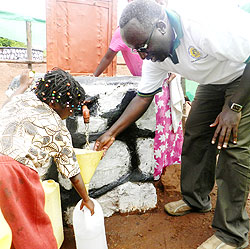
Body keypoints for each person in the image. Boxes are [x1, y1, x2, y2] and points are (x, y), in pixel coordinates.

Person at [94, 0, 250, 248]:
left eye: (143, 47)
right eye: (136, 51)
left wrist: (234, 107)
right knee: (196, 134)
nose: (142, 56)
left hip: (243, 76)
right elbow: (143, 97)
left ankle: (232, 234)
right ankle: (197, 199)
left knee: (232, 147)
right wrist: (111, 132)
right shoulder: (155, 55)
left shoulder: (205, 25)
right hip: (213, 81)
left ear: (161, 27)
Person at [0, 69, 94, 249]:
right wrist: (86, 199)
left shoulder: (20, 99)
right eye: (71, 107)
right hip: (14, 174)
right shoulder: (58, 129)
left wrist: (22, 85)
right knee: (33, 231)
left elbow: (6, 105)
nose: (71, 112)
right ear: (54, 104)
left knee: (8, 226)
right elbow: (72, 172)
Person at [93, 0, 142, 77]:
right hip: (141, 79)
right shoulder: (122, 32)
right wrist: (93, 78)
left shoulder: (152, 28)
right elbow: (107, 58)